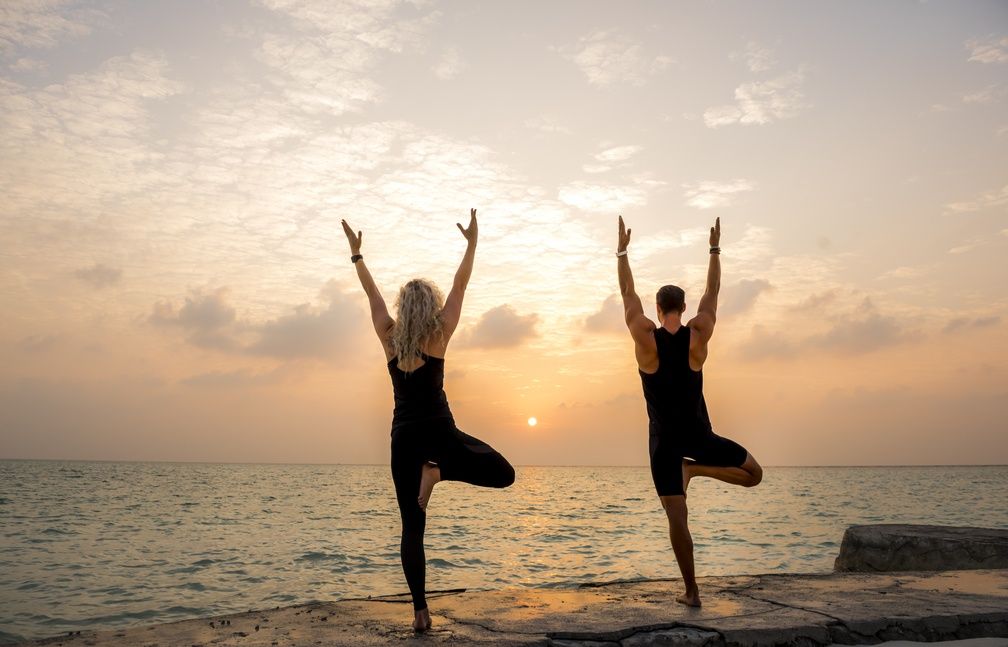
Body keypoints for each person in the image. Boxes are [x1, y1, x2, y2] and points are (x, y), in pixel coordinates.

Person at [341, 209, 515, 632]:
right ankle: (438, 472)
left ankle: (421, 613)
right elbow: (461, 284)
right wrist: (472, 243)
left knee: (411, 527)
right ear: (431, 306)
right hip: (440, 431)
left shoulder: (388, 335)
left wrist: (357, 257)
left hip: (404, 438)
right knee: (503, 472)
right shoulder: (440, 334)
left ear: (404, 306)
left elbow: (372, 296)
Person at [616, 215, 763, 607]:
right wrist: (714, 250)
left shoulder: (643, 338)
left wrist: (622, 251)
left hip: (663, 443)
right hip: (699, 436)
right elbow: (713, 291)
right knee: (754, 475)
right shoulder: (699, 336)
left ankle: (692, 592)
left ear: (658, 307)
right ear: (682, 306)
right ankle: (696, 467)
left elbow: (627, 292)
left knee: (677, 520)